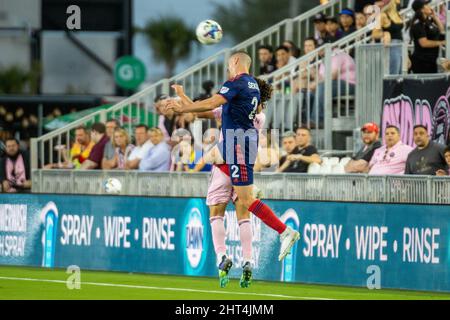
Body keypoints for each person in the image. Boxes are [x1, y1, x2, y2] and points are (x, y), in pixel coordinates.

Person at [167, 52, 300, 287]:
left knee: (232, 206)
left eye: (229, 64)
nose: (228, 68)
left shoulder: (237, 85)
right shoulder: (247, 96)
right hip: (237, 152)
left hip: (233, 153)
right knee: (243, 210)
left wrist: (182, 107)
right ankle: (249, 259)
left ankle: (283, 231)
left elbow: (211, 104)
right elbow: (204, 110)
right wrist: (182, 99)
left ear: (236, 62)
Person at [408, 0, 445, 73]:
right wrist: (441, 42)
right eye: (427, 5)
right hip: (422, 61)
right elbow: (424, 43)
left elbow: (442, 30)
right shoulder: (418, 24)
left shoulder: (428, 21)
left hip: (431, 59)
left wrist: (435, 17)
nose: (430, 7)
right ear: (422, 9)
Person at [372, 0, 405, 75]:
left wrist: (406, 55)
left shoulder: (397, 14)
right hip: (392, 45)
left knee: (401, 75)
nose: (398, 2)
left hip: (401, 45)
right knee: (394, 74)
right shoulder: (382, 15)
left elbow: (400, 34)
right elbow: (374, 34)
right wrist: (385, 33)